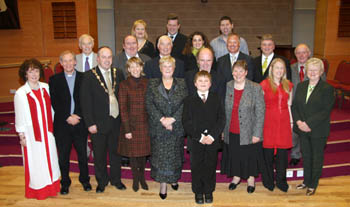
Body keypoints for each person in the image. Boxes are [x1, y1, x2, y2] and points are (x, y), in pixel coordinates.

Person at [80, 46, 126, 193]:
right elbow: (85, 102)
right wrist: (90, 123)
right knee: (99, 155)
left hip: (115, 121)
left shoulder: (118, 73)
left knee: (116, 153)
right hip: (97, 124)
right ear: (98, 58)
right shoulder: (88, 76)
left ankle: (116, 180)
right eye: (104, 57)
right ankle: (102, 181)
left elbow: (123, 96)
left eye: (109, 57)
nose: (107, 60)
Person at [14, 58, 60, 199]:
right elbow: (19, 116)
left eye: (36, 70)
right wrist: (22, 136)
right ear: (25, 74)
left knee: (51, 160)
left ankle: (52, 188)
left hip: (47, 131)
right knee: (37, 162)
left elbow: (52, 109)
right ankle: (39, 190)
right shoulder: (21, 93)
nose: (34, 74)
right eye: (30, 71)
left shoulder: (46, 87)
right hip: (32, 134)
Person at [49, 51, 91, 195]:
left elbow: (85, 99)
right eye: (64, 61)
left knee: (82, 155)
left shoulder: (84, 77)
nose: (68, 64)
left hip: (80, 123)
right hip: (63, 124)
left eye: (70, 60)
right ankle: (65, 182)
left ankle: (85, 180)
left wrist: (77, 115)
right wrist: (68, 116)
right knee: (64, 156)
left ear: (75, 62)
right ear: (61, 63)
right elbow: (55, 102)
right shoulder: (54, 80)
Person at [145, 56, 188, 200]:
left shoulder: (182, 83)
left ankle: (174, 179)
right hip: (159, 126)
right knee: (160, 157)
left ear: (174, 68)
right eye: (165, 66)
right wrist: (163, 119)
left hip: (176, 127)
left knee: (175, 156)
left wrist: (173, 119)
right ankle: (163, 184)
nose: (168, 69)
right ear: (160, 68)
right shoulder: (152, 84)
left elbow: (185, 103)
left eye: (170, 66)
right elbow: (149, 104)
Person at [292, 58, 335, 196]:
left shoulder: (327, 88)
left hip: (318, 130)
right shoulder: (301, 86)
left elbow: (325, 111)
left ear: (321, 72)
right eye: (310, 69)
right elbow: (295, 106)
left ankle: (313, 184)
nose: (312, 72)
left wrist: (308, 124)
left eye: (316, 70)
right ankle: (306, 181)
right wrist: (299, 122)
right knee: (306, 156)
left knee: (316, 158)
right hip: (302, 129)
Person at [221, 60, 265, 194]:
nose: (238, 74)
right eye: (235, 71)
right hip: (231, 128)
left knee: (249, 155)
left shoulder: (255, 87)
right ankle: (236, 177)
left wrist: (257, 133)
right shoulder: (228, 85)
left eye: (241, 71)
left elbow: (260, 111)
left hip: (249, 130)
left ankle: (251, 179)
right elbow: (223, 110)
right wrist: (223, 130)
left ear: (246, 72)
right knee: (234, 154)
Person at [182, 71, 225, 204]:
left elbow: (221, 119)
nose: (203, 83)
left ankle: (208, 191)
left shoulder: (216, 98)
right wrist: (199, 137)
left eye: (206, 81)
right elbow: (186, 121)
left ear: (210, 84)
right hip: (196, 140)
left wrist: (212, 135)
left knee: (210, 166)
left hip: (212, 140)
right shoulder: (189, 100)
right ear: (195, 84)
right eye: (200, 81)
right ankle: (198, 192)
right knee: (197, 166)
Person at [289, 44, 326, 166]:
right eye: (298, 53)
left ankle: (308, 155)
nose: (301, 55)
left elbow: (323, 88)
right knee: (295, 132)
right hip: (295, 105)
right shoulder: (291, 68)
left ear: (309, 53)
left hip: (312, 107)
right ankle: (295, 155)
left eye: (303, 52)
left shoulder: (317, 68)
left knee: (309, 132)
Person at [117, 57, 150, 192]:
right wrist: (127, 129)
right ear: (129, 69)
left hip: (145, 124)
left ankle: (142, 177)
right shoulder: (124, 85)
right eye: (132, 67)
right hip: (131, 125)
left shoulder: (148, 83)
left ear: (141, 68)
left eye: (138, 66)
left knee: (143, 154)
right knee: (133, 154)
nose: (136, 69)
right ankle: (136, 179)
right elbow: (123, 108)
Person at [260, 58, 293, 192]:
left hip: (284, 121)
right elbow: (260, 106)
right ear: (271, 69)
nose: (279, 70)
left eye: (281, 68)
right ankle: (268, 181)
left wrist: (291, 121)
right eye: (276, 67)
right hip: (268, 121)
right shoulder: (264, 84)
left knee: (282, 155)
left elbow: (289, 105)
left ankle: (281, 181)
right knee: (267, 154)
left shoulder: (289, 85)